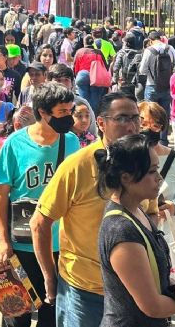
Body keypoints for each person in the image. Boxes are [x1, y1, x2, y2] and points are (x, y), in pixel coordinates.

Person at [30, 92, 140, 327]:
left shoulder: (142, 163)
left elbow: (150, 214)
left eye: (135, 118)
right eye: (121, 118)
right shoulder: (76, 165)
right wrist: (50, 278)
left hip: (132, 287)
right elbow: (39, 223)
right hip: (84, 290)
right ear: (101, 123)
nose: (131, 126)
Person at [0, 82, 80, 327]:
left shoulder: (71, 142)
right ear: (43, 113)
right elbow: (1, 193)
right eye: (62, 112)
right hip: (22, 244)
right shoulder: (14, 144)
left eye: (70, 110)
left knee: (52, 312)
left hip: (59, 244)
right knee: (16, 314)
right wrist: (3, 239)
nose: (69, 117)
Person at [94, 134, 175, 326]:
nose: (159, 178)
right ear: (126, 178)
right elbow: (152, 307)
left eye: (157, 169)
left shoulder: (136, 210)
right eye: (151, 171)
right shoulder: (122, 231)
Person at [138, 101, 175, 226]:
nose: (148, 129)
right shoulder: (128, 158)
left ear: (162, 128)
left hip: (165, 233)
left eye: (155, 125)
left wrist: (174, 206)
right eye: (143, 124)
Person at [138, 32, 175, 131]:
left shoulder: (149, 50)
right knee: (164, 114)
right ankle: (163, 140)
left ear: (150, 40)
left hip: (151, 85)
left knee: (149, 114)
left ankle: (151, 137)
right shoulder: (170, 48)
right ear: (160, 39)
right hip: (166, 86)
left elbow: (142, 70)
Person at [46, 63, 97, 135]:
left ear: (72, 83)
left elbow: (92, 131)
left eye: (66, 80)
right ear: (49, 82)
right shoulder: (44, 103)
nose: (62, 84)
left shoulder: (81, 103)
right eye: (58, 80)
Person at [73, 35, 109, 113]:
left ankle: (84, 116)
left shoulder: (79, 52)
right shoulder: (99, 52)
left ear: (84, 42)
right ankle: (93, 118)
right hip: (96, 77)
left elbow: (75, 66)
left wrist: (76, 76)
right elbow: (105, 67)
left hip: (82, 76)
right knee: (95, 100)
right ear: (93, 42)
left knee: (83, 101)